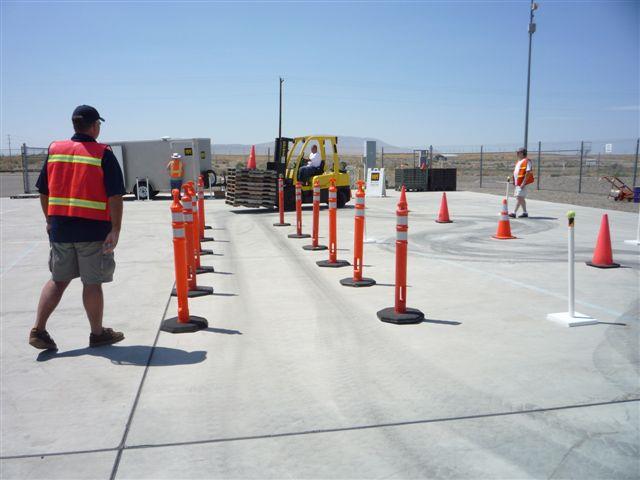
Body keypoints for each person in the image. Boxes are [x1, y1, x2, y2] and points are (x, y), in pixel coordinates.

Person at [30, 105, 126, 350]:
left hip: (60, 231)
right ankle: (97, 334)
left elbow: (43, 191)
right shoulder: (102, 153)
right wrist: (115, 229)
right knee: (92, 283)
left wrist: (49, 220)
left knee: (58, 280)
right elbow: (115, 196)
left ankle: (38, 330)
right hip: (92, 232)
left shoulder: (55, 151)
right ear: (94, 126)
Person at [510, 147, 534, 218]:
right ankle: (525, 212)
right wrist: (514, 181)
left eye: (518, 152)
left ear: (522, 153)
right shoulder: (518, 161)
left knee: (519, 197)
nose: (517, 153)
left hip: (523, 183)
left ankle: (514, 212)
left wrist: (523, 183)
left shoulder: (527, 161)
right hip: (518, 183)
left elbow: (528, 172)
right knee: (521, 198)